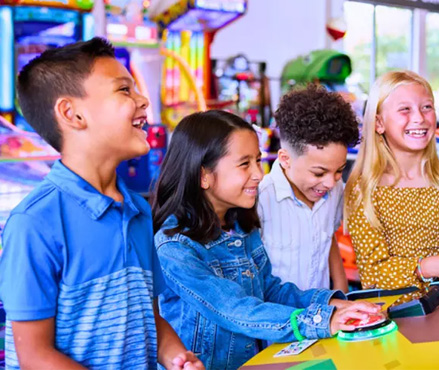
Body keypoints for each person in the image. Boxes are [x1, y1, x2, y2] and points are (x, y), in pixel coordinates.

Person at [0, 38, 203, 369]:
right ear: (72, 113)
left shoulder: (137, 212)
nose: (143, 101)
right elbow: (35, 356)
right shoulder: (35, 222)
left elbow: (149, 317)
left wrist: (176, 356)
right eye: (124, 90)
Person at [151, 110, 379, 370]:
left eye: (258, 161)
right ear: (204, 175)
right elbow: (235, 308)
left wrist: (329, 303)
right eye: (244, 164)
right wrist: (321, 320)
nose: (259, 174)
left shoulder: (240, 227)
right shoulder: (174, 246)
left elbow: (270, 290)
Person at [344, 70, 439, 300]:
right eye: (405, 109)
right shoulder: (364, 189)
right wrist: (429, 267)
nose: (419, 117)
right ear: (379, 123)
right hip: (396, 314)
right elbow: (372, 275)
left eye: (426, 107)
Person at [258, 85, 360, 292]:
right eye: (319, 173)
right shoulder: (261, 199)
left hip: (322, 314)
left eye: (339, 170)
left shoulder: (335, 190)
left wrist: (341, 286)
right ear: (285, 159)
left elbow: (326, 235)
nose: (330, 182)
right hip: (278, 317)